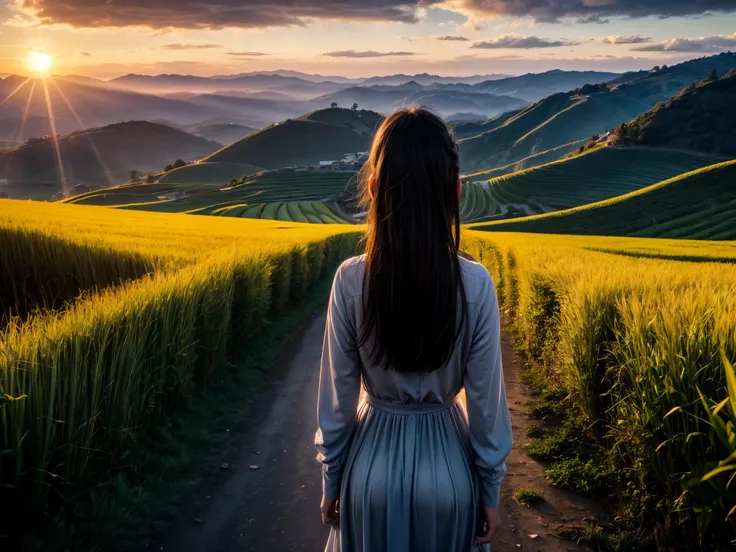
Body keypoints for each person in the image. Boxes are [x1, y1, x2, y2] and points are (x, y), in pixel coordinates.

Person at [315, 106, 512, 552]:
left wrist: (332, 478)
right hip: (450, 478)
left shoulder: (349, 280)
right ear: (456, 192)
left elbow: (338, 400)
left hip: (368, 478)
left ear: (372, 189)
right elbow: (485, 405)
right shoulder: (476, 285)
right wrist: (490, 491)